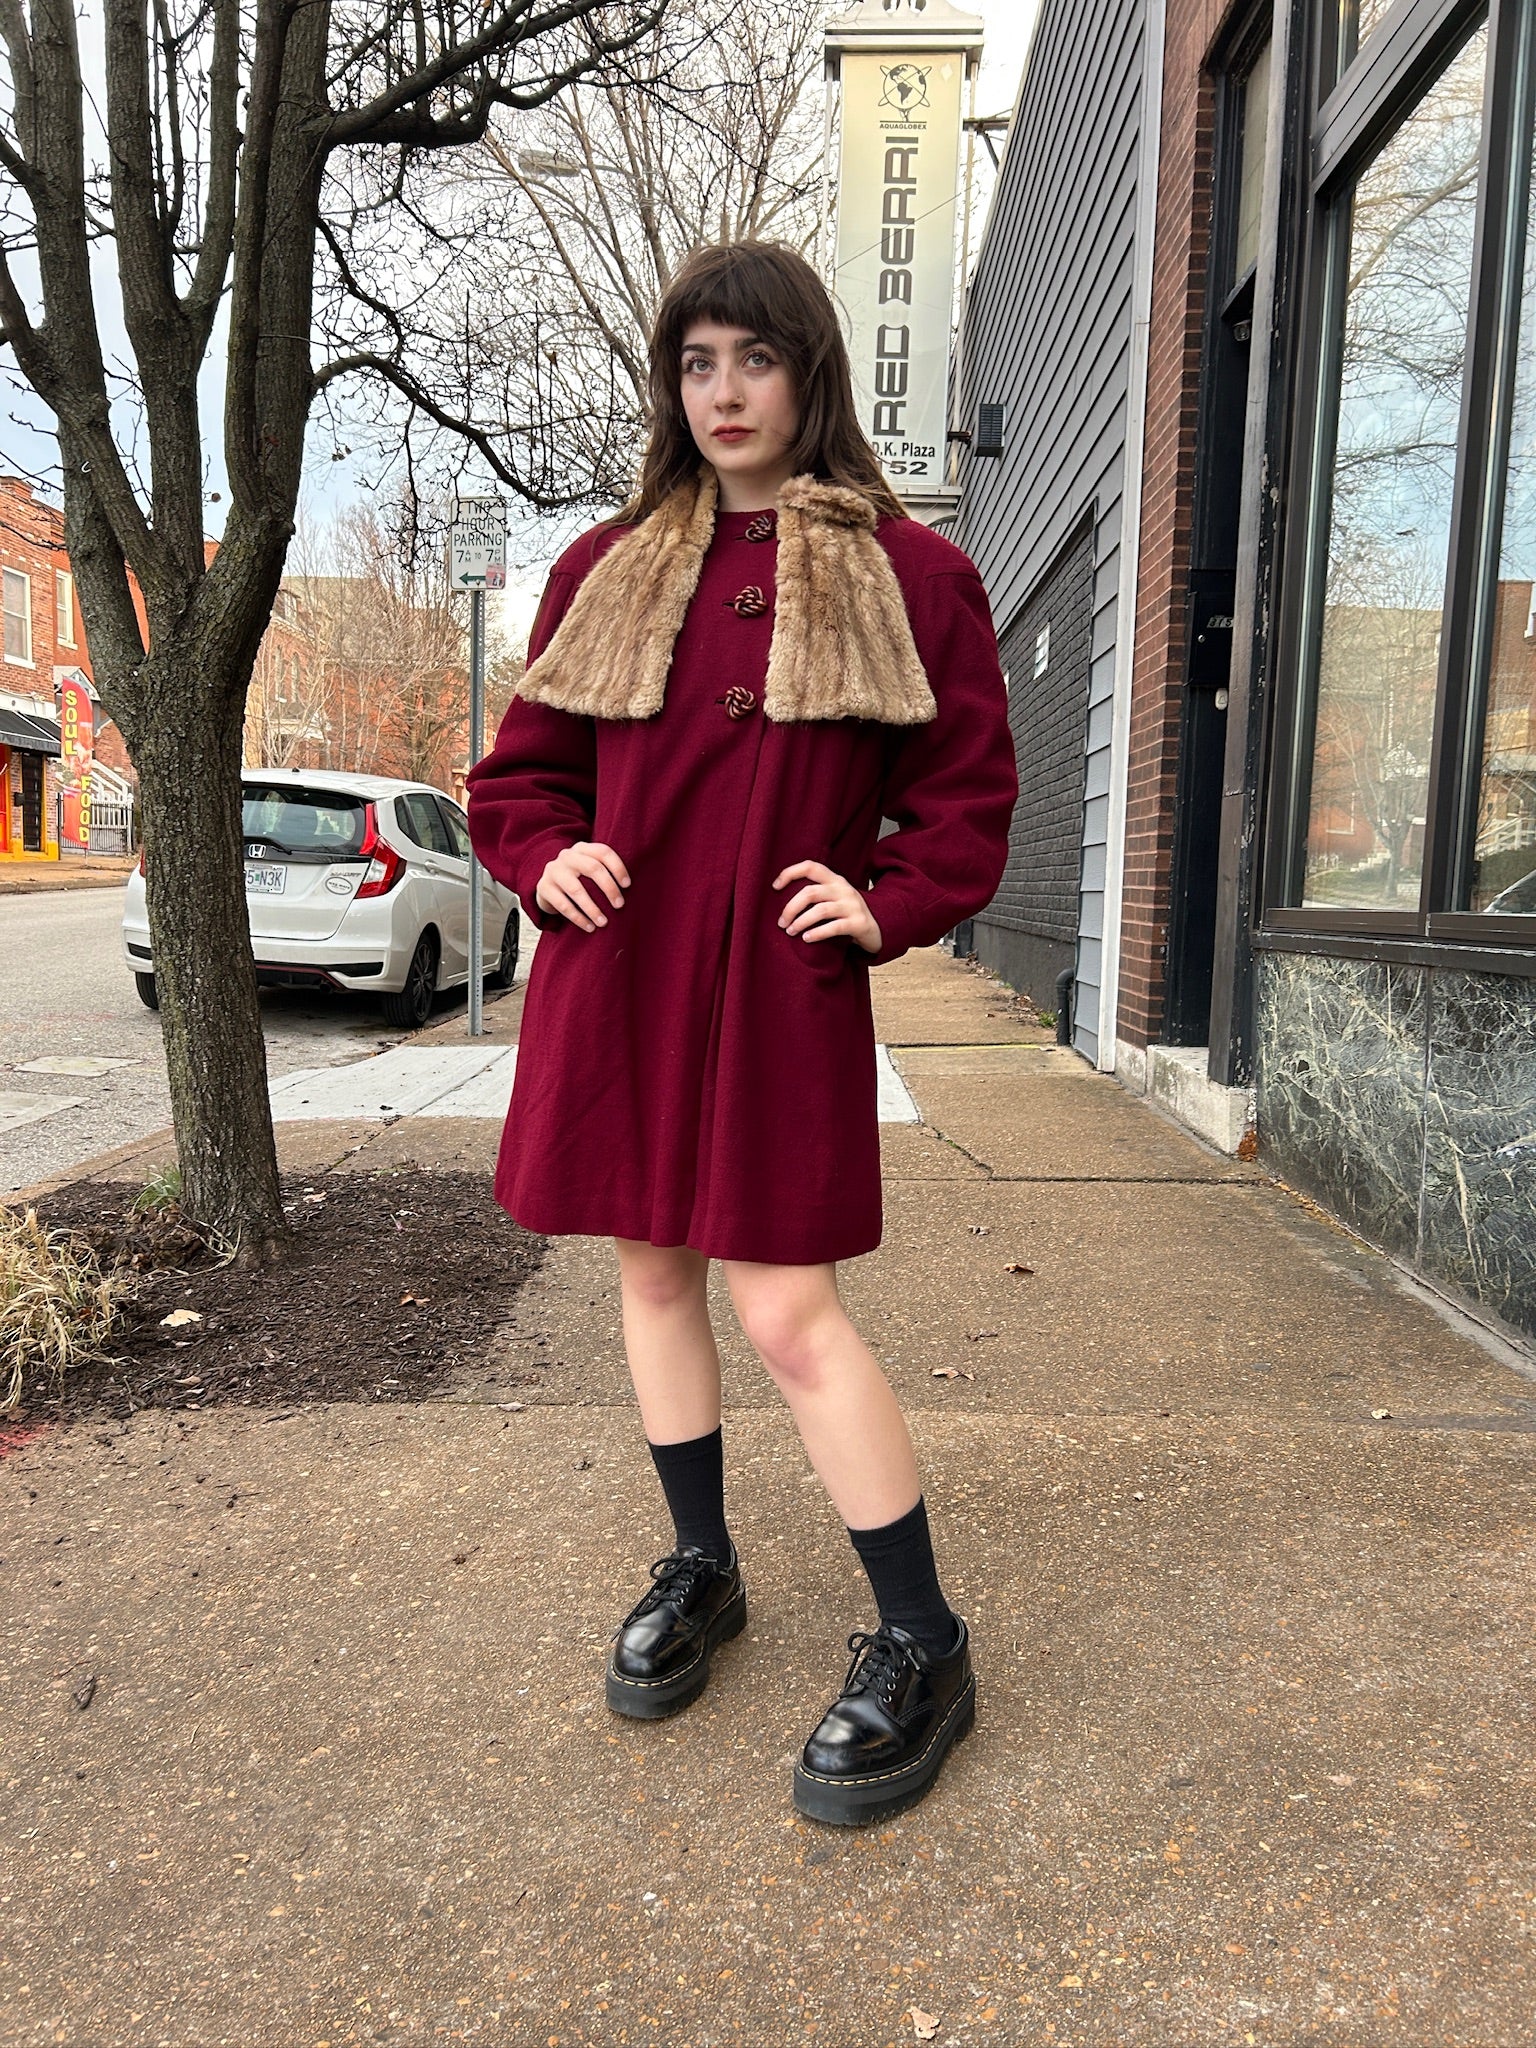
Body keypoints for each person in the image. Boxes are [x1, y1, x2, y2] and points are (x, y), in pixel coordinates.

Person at [466, 240, 1018, 1827]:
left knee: (789, 1312)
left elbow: (969, 800)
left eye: (752, 360)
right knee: (649, 1274)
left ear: (809, 373)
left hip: (777, 993)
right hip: (622, 975)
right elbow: (521, 782)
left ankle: (924, 1640)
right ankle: (702, 1564)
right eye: (697, 362)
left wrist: (885, 896)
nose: (723, 391)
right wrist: (537, 851)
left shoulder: (913, 575)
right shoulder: (608, 565)